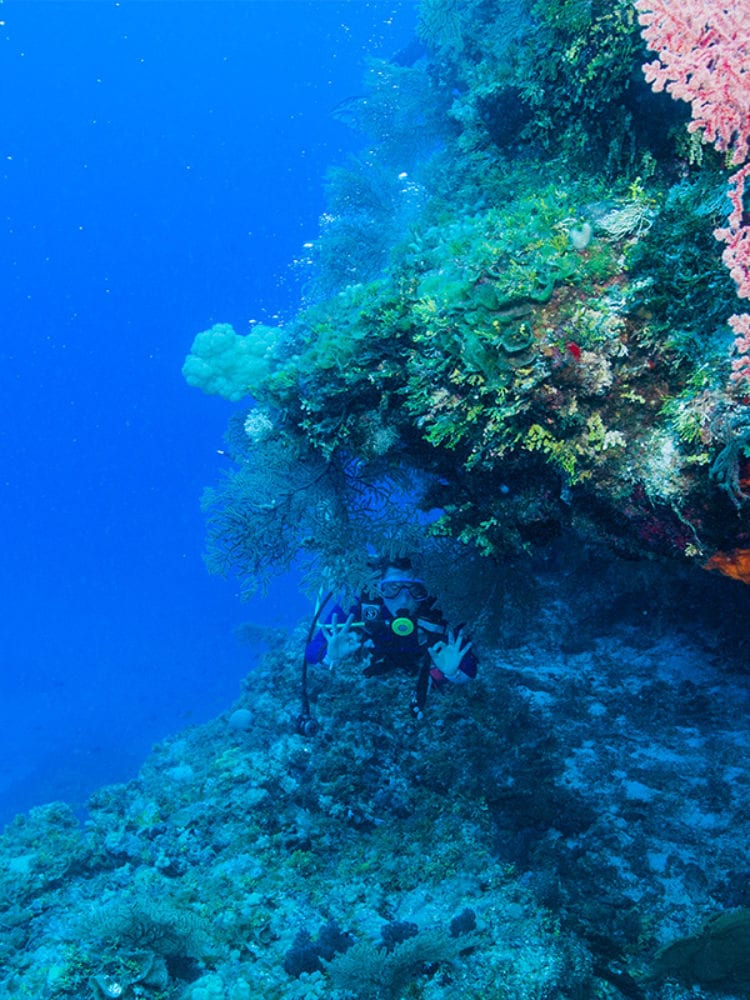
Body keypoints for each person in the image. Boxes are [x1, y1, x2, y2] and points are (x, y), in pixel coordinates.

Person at [305, 557, 477, 719]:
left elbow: (469, 670)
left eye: (415, 589)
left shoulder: (440, 608)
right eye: (392, 588)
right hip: (380, 651)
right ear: (378, 587)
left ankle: (435, 674)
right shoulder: (364, 603)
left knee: (440, 673)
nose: (403, 600)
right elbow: (311, 652)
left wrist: (452, 672)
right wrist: (329, 656)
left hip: (424, 654)